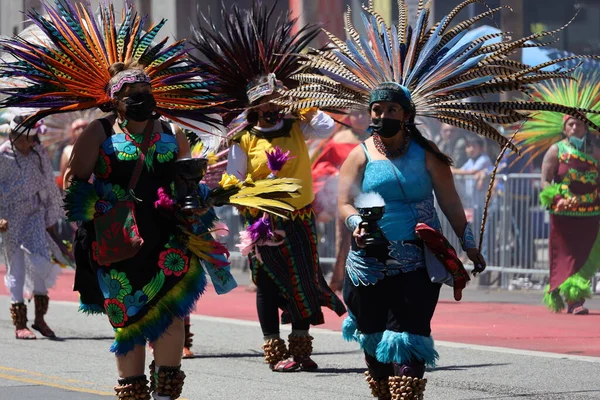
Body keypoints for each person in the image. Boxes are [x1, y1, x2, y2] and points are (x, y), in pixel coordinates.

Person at [278, 2, 596, 397]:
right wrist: (355, 224)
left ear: (407, 115)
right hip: (369, 261)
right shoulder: (359, 155)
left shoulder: (428, 156)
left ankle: (408, 390)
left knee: (410, 335)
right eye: (376, 109)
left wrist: (469, 244)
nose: (381, 115)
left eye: (391, 109)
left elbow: (449, 203)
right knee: (375, 345)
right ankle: (382, 383)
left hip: (417, 258)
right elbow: (344, 202)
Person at [191, 2, 346, 372]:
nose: (269, 108)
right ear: (252, 108)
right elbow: (235, 176)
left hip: (298, 217)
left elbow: (329, 128)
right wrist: (223, 192)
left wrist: (301, 105)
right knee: (267, 284)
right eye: (262, 103)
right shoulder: (245, 137)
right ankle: (273, 349)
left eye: (275, 101)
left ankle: (302, 350)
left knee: (304, 282)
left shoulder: (296, 126)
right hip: (262, 220)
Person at [512, 71, 600, 315]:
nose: (575, 127)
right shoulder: (555, 150)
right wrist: (552, 197)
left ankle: (576, 297)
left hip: (590, 214)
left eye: (579, 123)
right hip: (564, 214)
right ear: (564, 128)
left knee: (585, 256)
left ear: (586, 127)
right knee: (566, 255)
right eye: (571, 124)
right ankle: (573, 300)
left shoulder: (595, 153)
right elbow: (545, 179)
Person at [0, 114, 63, 340]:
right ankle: (20, 324)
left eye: (33, 139)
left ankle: (39, 320)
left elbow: (48, 186)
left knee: (41, 262)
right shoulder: (2, 155)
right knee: (16, 268)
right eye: (26, 139)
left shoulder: (38, 154)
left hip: (35, 214)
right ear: (13, 135)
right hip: (10, 217)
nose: (30, 143)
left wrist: (50, 217)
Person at [311, 110, 371, 291]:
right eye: (355, 114)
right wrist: (337, 175)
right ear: (349, 117)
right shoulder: (337, 139)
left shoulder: (375, 138)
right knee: (344, 238)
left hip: (370, 197)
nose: (359, 118)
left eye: (362, 114)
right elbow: (321, 166)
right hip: (345, 197)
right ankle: (342, 277)